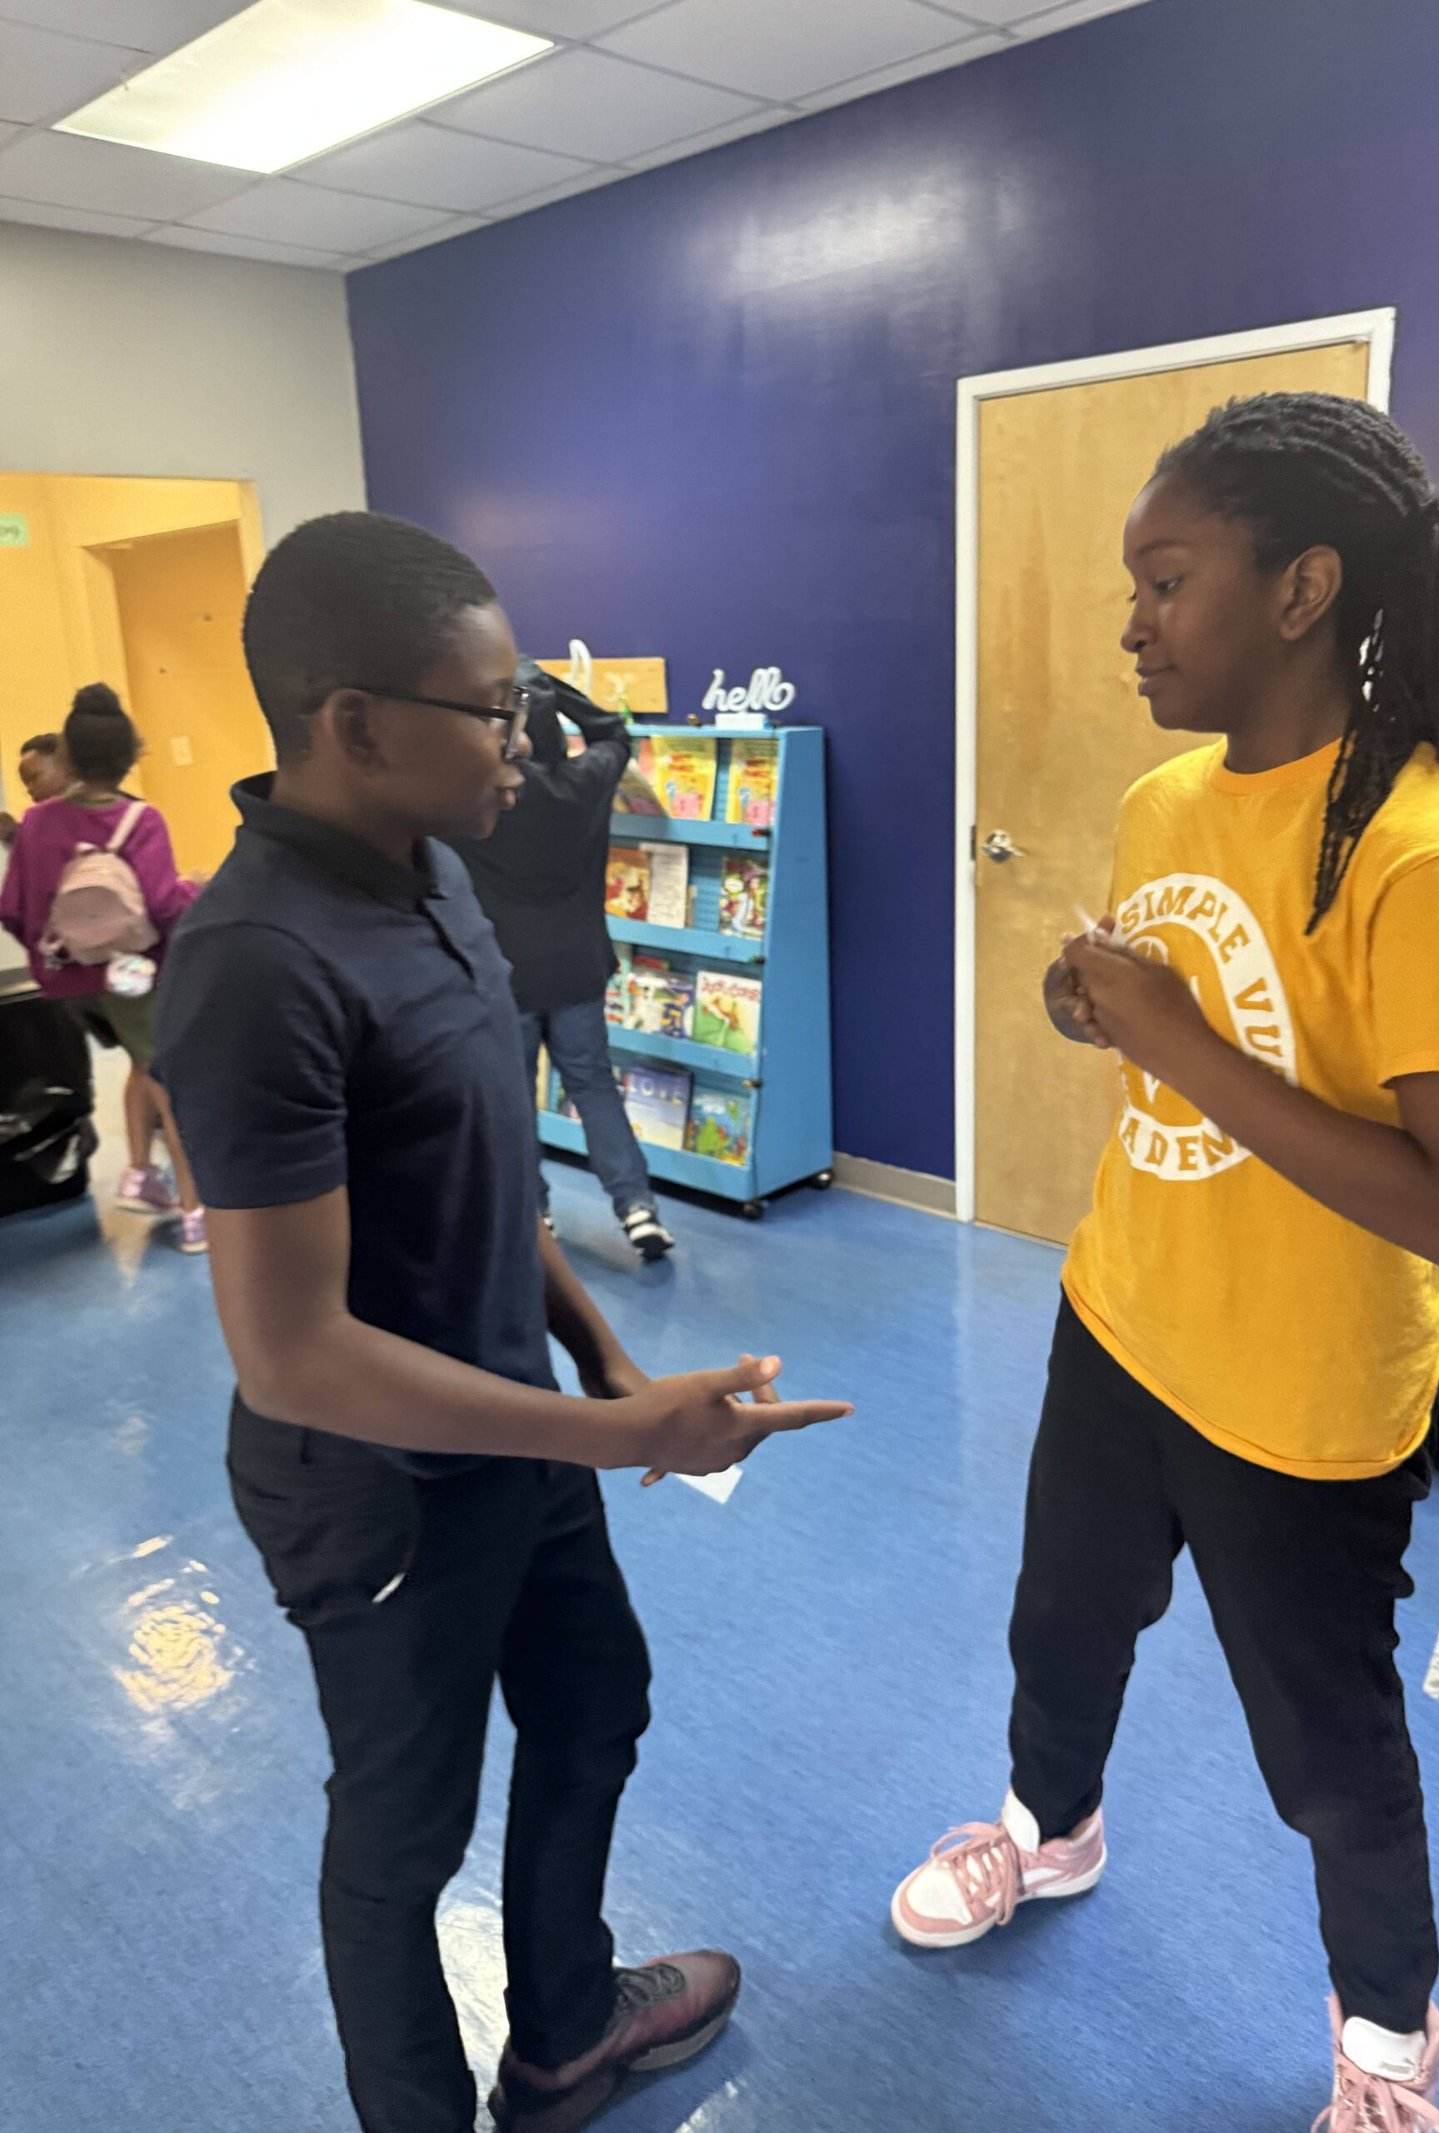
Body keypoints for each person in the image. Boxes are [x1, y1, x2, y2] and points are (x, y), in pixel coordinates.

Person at [888, 395, 1439, 2131]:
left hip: (1302, 1394)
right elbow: (1175, 1026)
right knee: (1062, 1624)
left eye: (1166, 579)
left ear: (1302, 590)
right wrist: (1098, 1007)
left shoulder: (1430, 855)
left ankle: (1388, 2035)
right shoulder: (1163, 800)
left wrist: (1180, 1040)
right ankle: (1048, 1830)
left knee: (1324, 1748)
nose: (1132, 623)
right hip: (1124, 1315)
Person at [155, 511, 850, 2133]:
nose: (526, 743)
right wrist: (613, 1434)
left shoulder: (443, 877)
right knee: (401, 1841)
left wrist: (604, 1360)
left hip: (517, 1427)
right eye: (493, 709)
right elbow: (291, 1351)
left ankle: (566, 2036)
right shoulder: (254, 964)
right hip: (377, 1488)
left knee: (594, 1704)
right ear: (356, 724)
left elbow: (488, 1177)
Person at [454, 664, 675, 1260]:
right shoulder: (585, 782)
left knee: (515, 1096)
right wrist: (548, 686)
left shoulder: (476, 795)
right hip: (579, 967)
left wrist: (514, 694)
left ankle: (536, 1214)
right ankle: (637, 1206)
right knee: (594, 1083)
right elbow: (613, 732)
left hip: (506, 973)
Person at [0, 687, 206, 1250]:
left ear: (66, 756)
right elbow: (162, 905)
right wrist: (195, 891)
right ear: (131, 756)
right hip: (130, 974)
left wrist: (58, 956)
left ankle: (140, 1173)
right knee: (172, 1081)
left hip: (71, 981)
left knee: (142, 1064)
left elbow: (12, 908)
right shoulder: (141, 820)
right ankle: (195, 1211)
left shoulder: (38, 823)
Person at [0, 730, 71, 843]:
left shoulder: (95, 811)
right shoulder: (42, 821)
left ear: (67, 766)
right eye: (26, 783)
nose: (29, 790)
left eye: (34, 778)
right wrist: (14, 836)